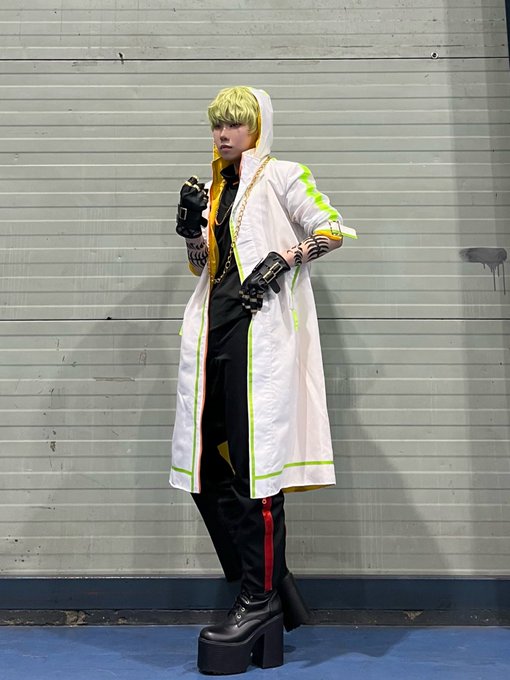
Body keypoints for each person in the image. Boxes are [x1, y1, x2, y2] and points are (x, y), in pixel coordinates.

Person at [170, 86, 357, 675]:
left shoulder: (282, 175)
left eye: (235, 124)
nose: (223, 134)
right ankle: (273, 588)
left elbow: (332, 229)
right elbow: (205, 266)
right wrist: (191, 233)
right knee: (203, 468)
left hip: (261, 339)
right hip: (214, 334)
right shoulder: (213, 188)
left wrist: (284, 258)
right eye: (217, 125)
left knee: (257, 471)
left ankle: (259, 600)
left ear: (257, 127)